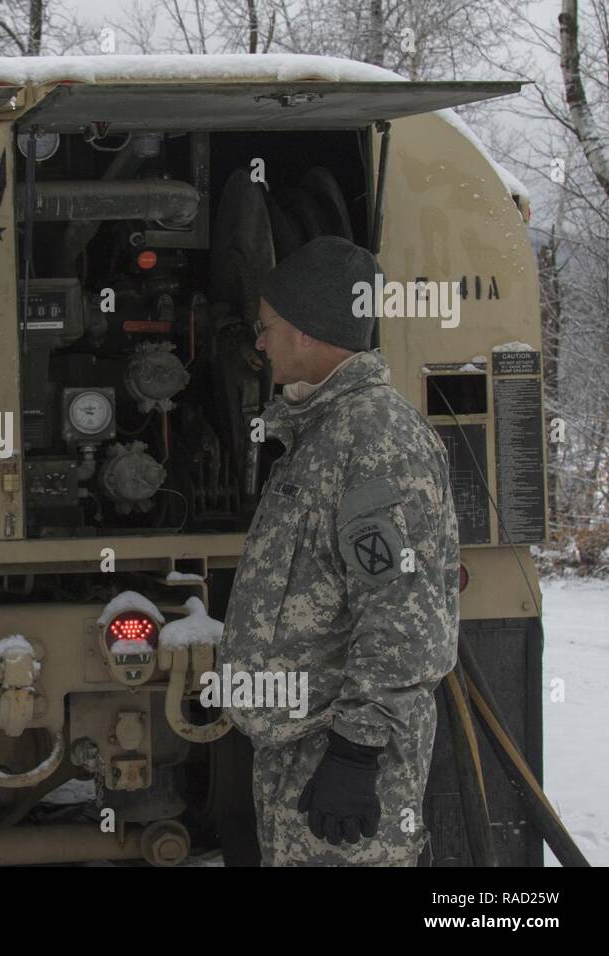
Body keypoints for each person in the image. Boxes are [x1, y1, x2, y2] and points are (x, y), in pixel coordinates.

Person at [220, 235, 460, 866]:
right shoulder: (322, 432)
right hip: (300, 752)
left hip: (347, 756)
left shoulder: (374, 440)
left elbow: (404, 619)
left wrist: (355, 753)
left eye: (268, 327)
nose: (260, 342)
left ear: (308, 330)